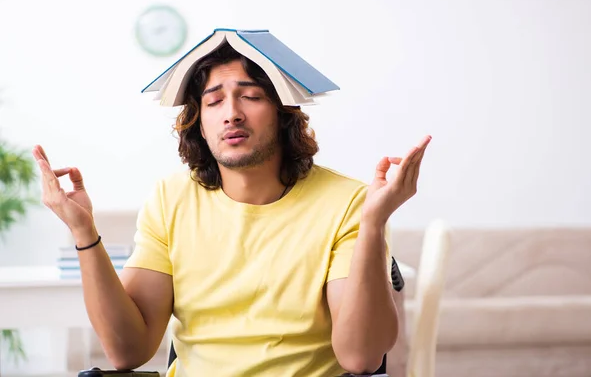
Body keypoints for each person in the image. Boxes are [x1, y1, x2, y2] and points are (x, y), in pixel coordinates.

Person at [33, 43, 431, 377]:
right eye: (214, 101)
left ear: (283, 114)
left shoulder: (349, 202)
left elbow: (360, 356)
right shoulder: (170, 198)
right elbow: (127, 352)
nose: (231, 113)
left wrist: (374, 224)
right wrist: (84, 232)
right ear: (200, 125)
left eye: (252, 96)